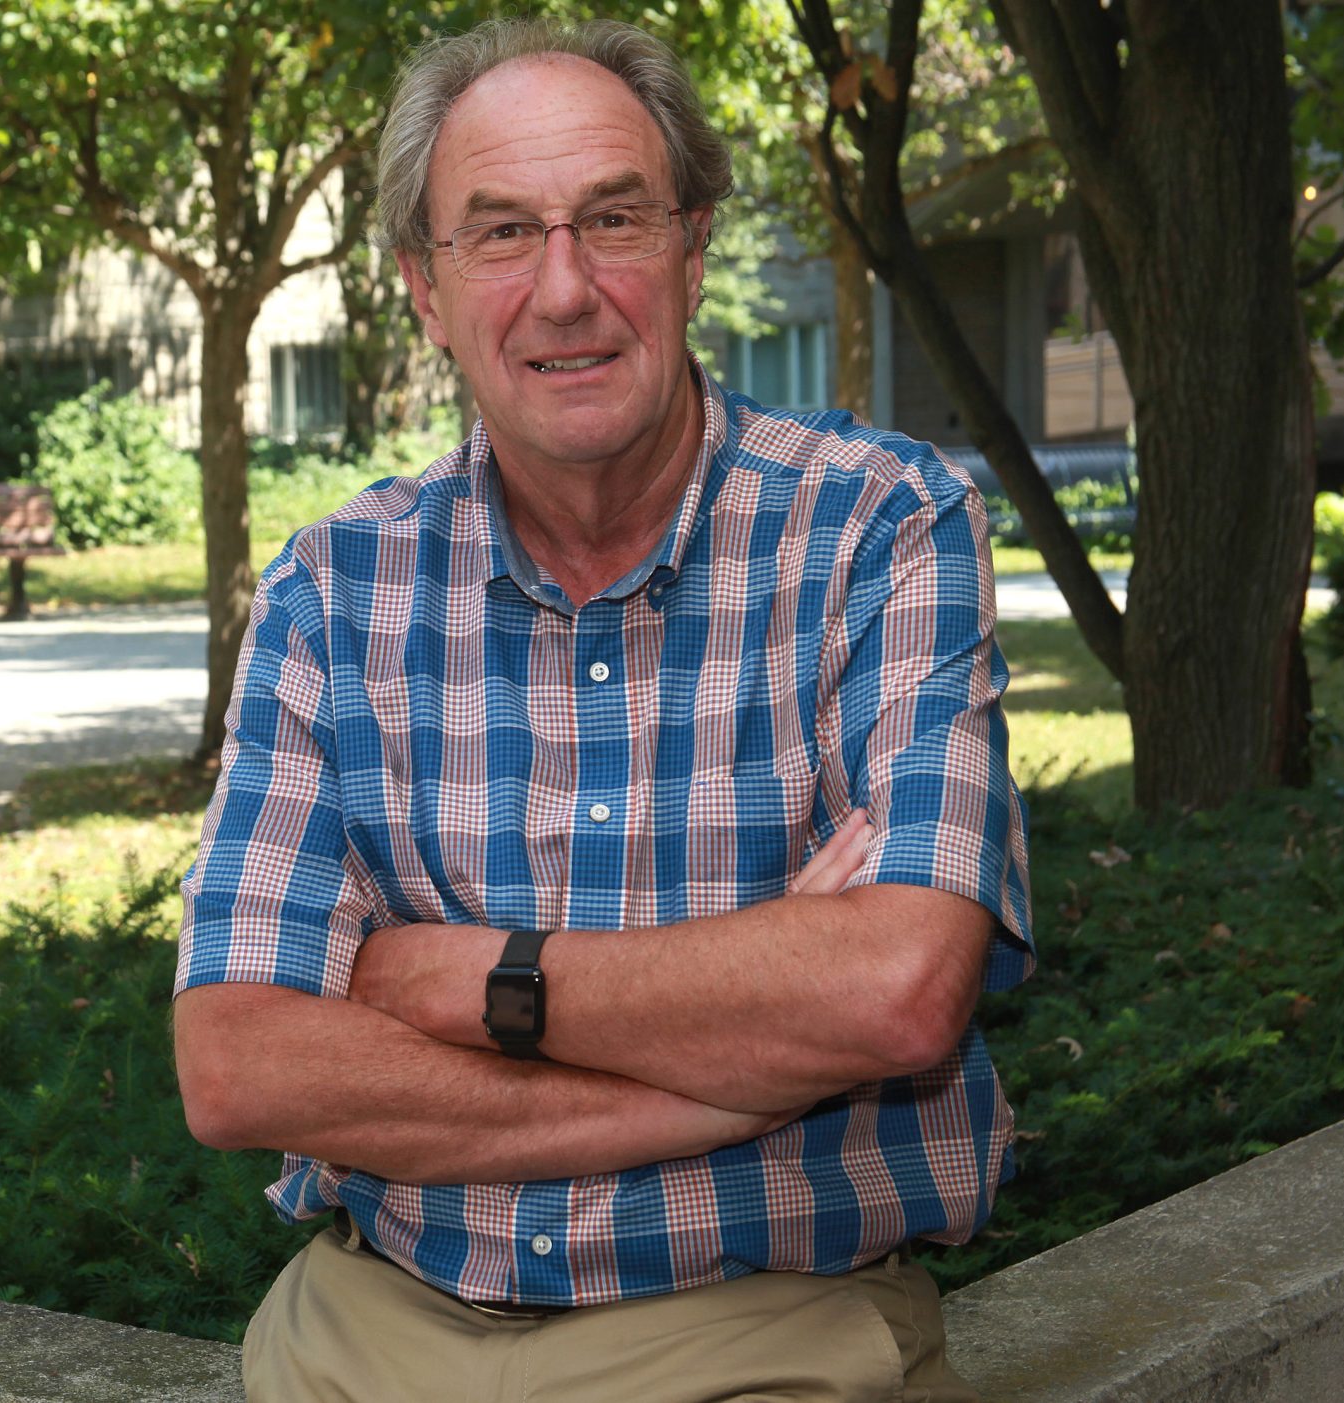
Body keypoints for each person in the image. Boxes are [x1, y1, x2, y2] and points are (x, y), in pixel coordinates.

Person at [173, 17, 1032, 1402]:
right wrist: (735, 1072)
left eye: (614, 220)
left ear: (692, 251)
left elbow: (898, 991)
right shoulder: (333, 588)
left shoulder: (881, 526)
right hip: (366, 1334)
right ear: (426, 289)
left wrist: (479, 982)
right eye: (502, 233)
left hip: (768, 1334)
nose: (565, 289)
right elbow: (241, 1065)